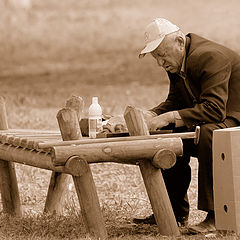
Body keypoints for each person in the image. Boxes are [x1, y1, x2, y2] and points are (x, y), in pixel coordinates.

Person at [106, 18, 240, 233]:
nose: (160, 63)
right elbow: (176, 101)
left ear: (180, 41)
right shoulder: (178, 62)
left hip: (234, 119)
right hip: (219, 118)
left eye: (162, 55)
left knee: (210, 135)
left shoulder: (208, 56)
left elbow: (215, 109)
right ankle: (173, 212)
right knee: (167, 137)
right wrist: (152, 115)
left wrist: (167, 117)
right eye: (155, 57)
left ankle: (216, 216)